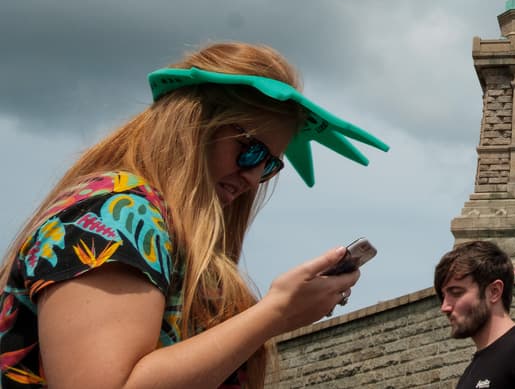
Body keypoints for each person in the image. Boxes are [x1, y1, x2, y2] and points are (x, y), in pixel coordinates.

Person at [0, 41, 389, 389]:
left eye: (269, 165)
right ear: (193, 125)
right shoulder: (116, 212)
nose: (253, 177)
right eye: (249, 149)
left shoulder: (154, 224)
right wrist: (275, 313)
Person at [435, 240, 515, 389]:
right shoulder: (469, 373)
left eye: (456, 292)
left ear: (494, 291)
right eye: (443, 296)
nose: (444, 307)